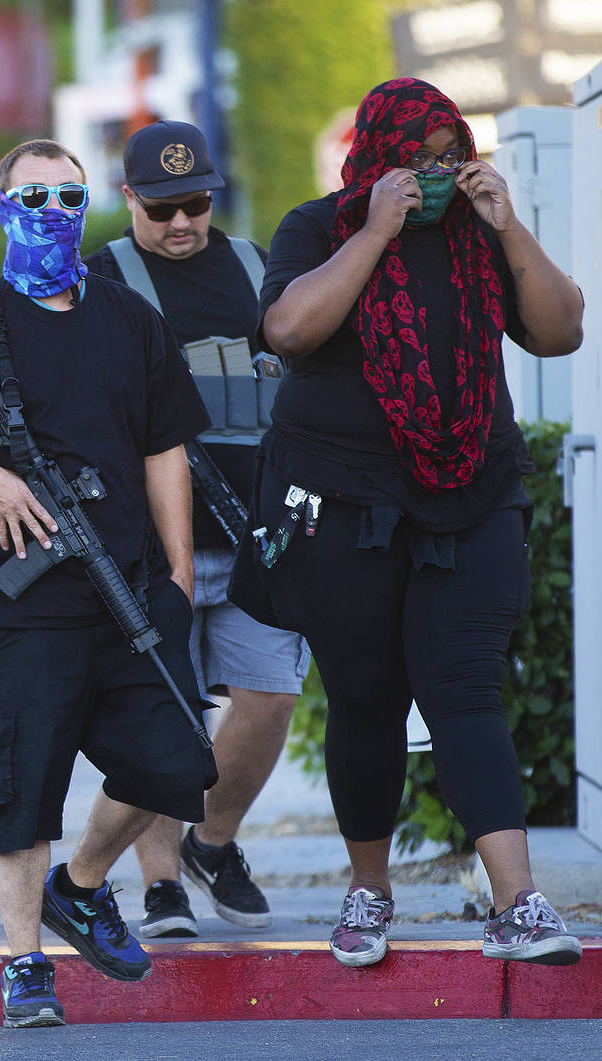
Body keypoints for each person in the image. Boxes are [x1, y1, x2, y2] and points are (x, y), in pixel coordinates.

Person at [235, 77, 584, 968]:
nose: (433, 173)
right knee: (366, 699)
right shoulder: (319, 226)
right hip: (345, 505)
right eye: (415, 156)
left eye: (448, 154)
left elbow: (560, 329)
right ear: (376, 156)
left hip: (473, 495)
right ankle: (369, 889)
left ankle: (520, 901)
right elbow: (289, 331)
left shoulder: (478, 236)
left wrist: (507, 225)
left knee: (466, 689)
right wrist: (374, 232)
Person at [0, 139, 217, 1028]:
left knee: (175, 760)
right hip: (19, 601)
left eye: (70, 197)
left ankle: (80, 886)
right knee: (18, 785)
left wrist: (178, 568)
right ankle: (24, 960)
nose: (53, 213)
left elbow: (163, 446)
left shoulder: (127, 317)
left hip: (127, 590)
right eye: (34, 199)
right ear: (3, 208)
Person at [84, 119, 310, 938]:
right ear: (128, 200)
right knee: (165, 711)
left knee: (270, 695)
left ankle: (213, 842)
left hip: (256, 533)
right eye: (161, 208)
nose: (181, 224)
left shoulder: (258, 266)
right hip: (151, 542)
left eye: (194, 205)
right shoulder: (101, 276)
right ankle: (161, 884)